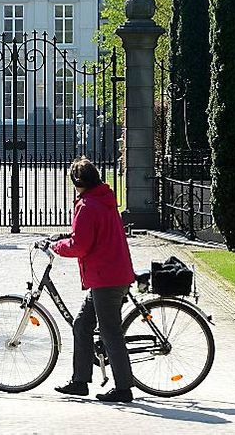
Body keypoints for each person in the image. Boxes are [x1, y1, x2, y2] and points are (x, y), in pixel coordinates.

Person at [50, 157, 136, 403]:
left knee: (110, 332)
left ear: (77, 182)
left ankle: (123, 388)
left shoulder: (87, 205)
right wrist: (67, 235)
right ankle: (80, 381)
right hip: (112, 273)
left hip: (105, 277)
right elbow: (89, 234)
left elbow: (81, 245)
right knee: (82, 324)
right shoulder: (104, 199)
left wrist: (57, 246)